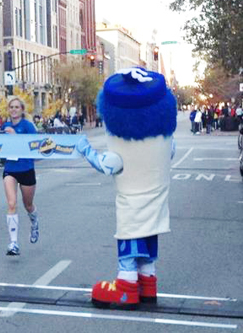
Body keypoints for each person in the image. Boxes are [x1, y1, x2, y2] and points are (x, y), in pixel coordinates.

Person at [77, 67, 177, 310]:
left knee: (129, 248)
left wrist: (85, 150)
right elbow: (171, 152)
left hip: (131, 208)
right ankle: (148, 284)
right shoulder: (167, 143)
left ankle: (126, 288)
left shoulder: (119, 150)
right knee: (147, 247)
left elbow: (106, 164)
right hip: (156, 207)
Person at [1, 96, 39, 256]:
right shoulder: (5, 126)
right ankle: (14, 243)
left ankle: (34, 221)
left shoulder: (28, 126)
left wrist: (16, 136)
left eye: (17, 107)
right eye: (11, 107)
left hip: (26, 168)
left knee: (28, 204)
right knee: (11, 204)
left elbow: (35, 145)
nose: (14, 109)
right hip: (10, 168)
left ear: (22, 110)